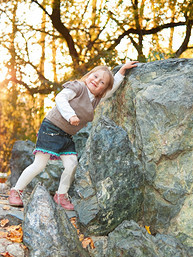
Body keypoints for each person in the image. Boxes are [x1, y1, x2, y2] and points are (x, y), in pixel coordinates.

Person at [8, 61, 138, 210]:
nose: (96, 81)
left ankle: (61, 195)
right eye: (95, 76)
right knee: (39, 164)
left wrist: (121, 71)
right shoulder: (78, 87)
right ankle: (16, 190)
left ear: (103, 89)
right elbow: (60, 98)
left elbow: (112, 88)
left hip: (66, 135)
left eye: (102, 82)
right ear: (89, 75)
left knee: (72, 164)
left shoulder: (96, 99)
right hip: (51, 128)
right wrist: (70, 115)